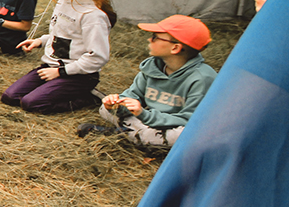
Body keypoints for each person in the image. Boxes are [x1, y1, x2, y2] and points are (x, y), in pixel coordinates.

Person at [79, 15, 217, 149]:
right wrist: (117, 105)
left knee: (184, 135)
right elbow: (133, 95)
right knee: (104, 109)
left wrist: (144, 115)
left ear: (175, 48)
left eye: (155, 37)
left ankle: (129, 134)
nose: (149, 39)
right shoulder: (152, 67)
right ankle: (142, 137)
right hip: (150, 122)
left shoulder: (202, 78)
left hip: (174, 125)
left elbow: (189, 120)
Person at [2, 0, 116, 114]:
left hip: (77, 75)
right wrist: (40, 41)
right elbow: (64, 36)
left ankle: (88, 97)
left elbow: (97, 57)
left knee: (31, 104)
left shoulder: (92, 16)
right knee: (10, 97)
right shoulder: (64, 2)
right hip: (51, 66)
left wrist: (61, 72)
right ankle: (53, 88)